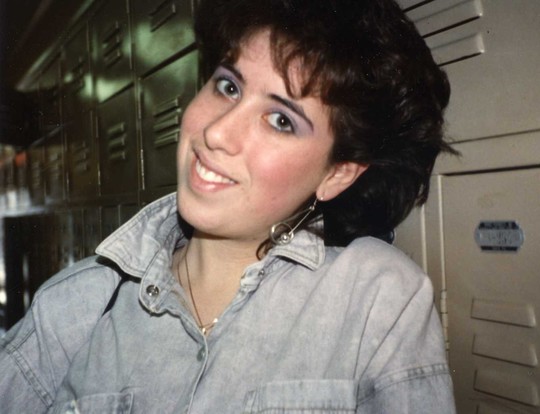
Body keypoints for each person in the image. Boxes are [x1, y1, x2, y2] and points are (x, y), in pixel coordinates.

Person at [0, 0, 457, 412]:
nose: (216, 133)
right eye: (228, 87)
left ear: (337, 174)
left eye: (280, 120)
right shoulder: (72, 307)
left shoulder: (378, 301)